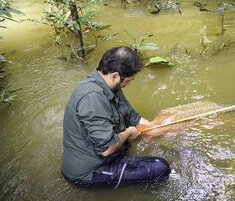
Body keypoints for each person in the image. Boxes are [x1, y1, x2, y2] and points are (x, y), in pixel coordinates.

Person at [62, 46, 171, 187]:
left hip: (105, 152)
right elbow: (107, 149)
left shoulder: (109, 85)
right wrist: (129, 132)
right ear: (115, 76)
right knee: (160, 168)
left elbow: (131, 116)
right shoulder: (92, 98)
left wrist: (154, 128)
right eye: (129, 80)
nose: (129, 83)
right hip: (90, 172)